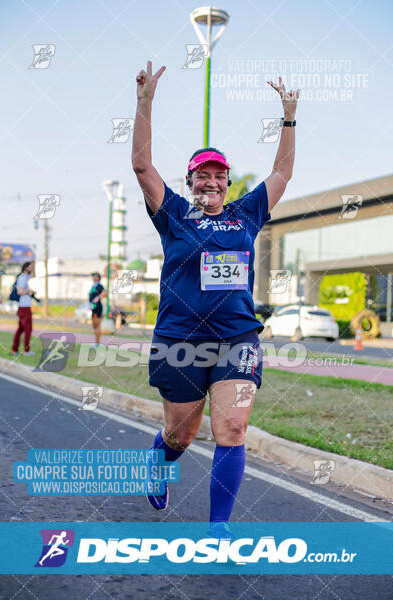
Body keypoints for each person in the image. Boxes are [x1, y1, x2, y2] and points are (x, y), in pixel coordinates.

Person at [132, 61, 300, 537]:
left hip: (237, 339)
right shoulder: (175, 215)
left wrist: (288, 117)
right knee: (181, 435)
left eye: (218, 175)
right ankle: (157, 457)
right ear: (190, 182)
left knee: (232, 430)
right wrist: (144, 103)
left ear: (228, 182)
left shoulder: (247, 214)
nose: (211, 182)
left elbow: (282, 171)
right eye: (202, 176)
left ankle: (217, 530)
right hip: (180, 339)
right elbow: (142, 166)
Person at [11, 261, 36, 356]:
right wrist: (29, 292)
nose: (32, 268)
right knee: (28, 329)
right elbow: (19, 292)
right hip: (24, 308)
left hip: (25, 307)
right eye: (30, 266)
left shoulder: (25, 278)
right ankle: (26, 351)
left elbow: (33, 275)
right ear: (26, 267)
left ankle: (14, 349)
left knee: (20, 329)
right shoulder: (22, 278)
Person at [89, 272, 107, 348]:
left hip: (97, 307)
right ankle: (96, 342)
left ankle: (97, 343)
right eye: (93, 276)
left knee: (97, 325)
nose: (93, 277)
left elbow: (105, 293)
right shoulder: (93, 286)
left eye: (95, 276)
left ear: (98, 278)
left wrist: (98, 298)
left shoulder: (99, 286)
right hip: (93, 308)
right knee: (94, 325)